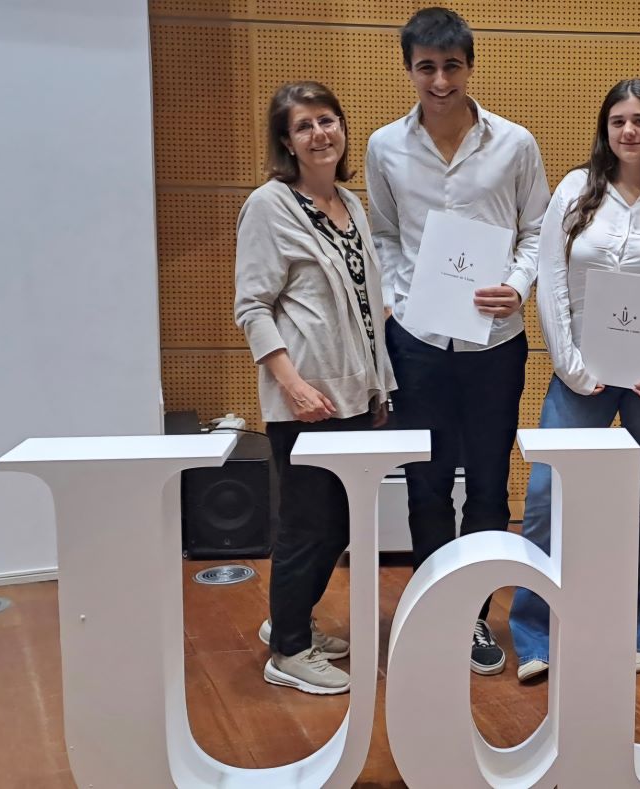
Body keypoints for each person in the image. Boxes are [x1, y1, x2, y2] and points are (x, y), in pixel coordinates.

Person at [365, 7, 550, 676]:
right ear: (409, 69)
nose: (440, 81)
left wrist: (518, 286)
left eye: (451, 67)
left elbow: (538, 230)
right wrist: (398, 299)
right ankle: (433, 606)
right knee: (426, 481)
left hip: (495, 341)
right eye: (426, 68)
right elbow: (383, 234)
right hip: (417, 340)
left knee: (490, 485)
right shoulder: (385, 146)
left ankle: (473, 611)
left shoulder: (515, 143)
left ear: (470, 67)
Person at [507, 79, 640, 682]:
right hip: (582, 375)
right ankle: (536, 632)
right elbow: (552, 282)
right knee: (546, 495)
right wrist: (572, 366)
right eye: (618, 120)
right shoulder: (575, 190)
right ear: (605, 129)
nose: (629, 130)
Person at [234, 81, 396, 695]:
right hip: (306, 400)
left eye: (327, 120)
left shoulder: (350, 204)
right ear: (286, 141)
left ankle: (290, 621)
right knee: (307, 525)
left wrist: (380, 387)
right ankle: (288, 651)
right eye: (304, 126)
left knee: (338, 523)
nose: (319, 134)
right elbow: (253, 306)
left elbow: (366, 304)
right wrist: (293, 386)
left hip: (354, 394)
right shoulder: (269, 205)